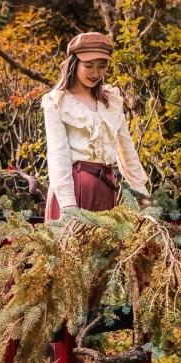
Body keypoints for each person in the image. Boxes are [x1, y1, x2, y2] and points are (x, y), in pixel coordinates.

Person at [41, 31, 150, 221]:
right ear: (74, 64)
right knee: (74, 248)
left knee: (108, 248)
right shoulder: (57, 101)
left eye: (102, 66)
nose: (95, 73)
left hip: (107, 187)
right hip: (74, 188)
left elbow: (127, 149)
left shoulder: (112, 101)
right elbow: (58, 155)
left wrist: (141, 194)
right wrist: (68, 205)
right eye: (88, 65)